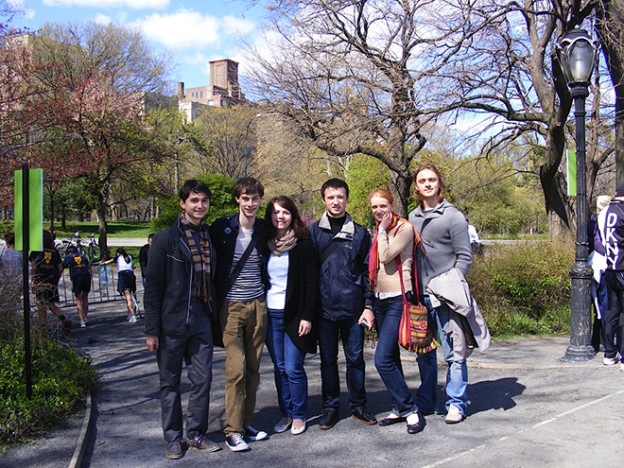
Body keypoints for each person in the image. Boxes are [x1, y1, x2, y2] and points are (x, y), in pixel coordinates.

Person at [144, 179, 220, 460]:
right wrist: (152, 330)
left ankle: (196, 434)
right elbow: (152, 288)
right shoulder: (166, 239)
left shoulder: (209, 236)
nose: (200, 206)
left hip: (202, 318)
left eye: (204, 201)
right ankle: (173, 438)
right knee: (170, 382)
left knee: (202, 379)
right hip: (172, 322)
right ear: (183, 203)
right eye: (194, 201)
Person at [307, 178, 377, 430]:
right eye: (330, 197)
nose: (336, 201)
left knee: (356, 359)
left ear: (347, 199)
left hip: (354, 308)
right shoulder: (313, 233)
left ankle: (358, 405)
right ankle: (330, 407)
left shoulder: (360, 234)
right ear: (324, 200)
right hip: (324, 309)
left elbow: (369, 274)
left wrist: (369, 305)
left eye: (340, 197)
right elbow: (309, 274)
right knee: (327, 360)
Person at [408, 164, 473, 424]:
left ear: (439, 184)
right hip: (420, 299)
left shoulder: (453, 216)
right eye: (422, 180)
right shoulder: (411, 218)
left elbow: (464, 258)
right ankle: (426, 400)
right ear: (416, 186)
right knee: (424, 353)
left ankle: (456, 402)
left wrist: (451, 285)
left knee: (454, 353)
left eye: (432, 179)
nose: (427, 184)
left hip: (446, 299)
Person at [210, 177, 269, 452]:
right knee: (236, 370)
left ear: (260, 200)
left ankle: (246, 423)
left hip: (258, 304)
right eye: (245, 198)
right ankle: (232, 431)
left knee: (254, 369)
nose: (250, 203)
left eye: (255, 198)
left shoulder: (263, 228)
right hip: (231, 307)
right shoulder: (222, 227)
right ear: (238, 199)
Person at [367, 188, 426, 434]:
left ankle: (411, 409)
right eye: (374, 207)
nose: (378, 211)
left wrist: (381, 231)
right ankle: (398, 407)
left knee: (381, 360)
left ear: (392, 206)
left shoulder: (403, 228)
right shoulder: (381, 230)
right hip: (380, 299)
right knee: (390, 357)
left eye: (383, 206)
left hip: (397, 300)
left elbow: (386, 255)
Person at [264, 196, 318, 436]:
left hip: (295, 315)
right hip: (270, 314)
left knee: (294, 367)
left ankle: (299, 414)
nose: (280, 217)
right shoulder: (265, 243)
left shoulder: (302, 244)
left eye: (285, 212)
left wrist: (307, 316)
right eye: (276, 212)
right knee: (279, 367)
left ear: (293, 215)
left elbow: (311, 282)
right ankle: (285, 413)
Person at [598, 182, 624, 371]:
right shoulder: (622, 213)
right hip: (622, 266)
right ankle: (623, 356)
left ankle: (609, 353)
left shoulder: (604, 213)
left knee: (612, 311)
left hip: (609, 267)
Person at [29, 230, 69, 332]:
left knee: (41, 303)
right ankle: (63, 319)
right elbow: (60, 268)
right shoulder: (55, 252)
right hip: (51, 281)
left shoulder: (36, 251)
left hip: (40, 280)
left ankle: (43, 327)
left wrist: (32, 281)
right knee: (50, 302)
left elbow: (33, 267)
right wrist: (56, 279)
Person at [589, 195, 611, 352]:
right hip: (602, 267)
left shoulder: (592, 223)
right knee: (606, 305)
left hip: (596, 267)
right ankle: (604, 341)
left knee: (601, 307)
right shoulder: (602, 223)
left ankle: (598, 341)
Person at [100, 248, 138, 323]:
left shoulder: (118, 257)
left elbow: (108, 262)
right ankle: (129, 313)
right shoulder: (129, 257)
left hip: (123, 276)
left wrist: (102, 263)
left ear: (118, 253)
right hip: (131, 275)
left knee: (128, 297)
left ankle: (133, 315)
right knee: (130, 295)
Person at [62, 245, 91, 328]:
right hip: (86, 276)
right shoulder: (82, 255)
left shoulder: (69, 256)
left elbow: (63, 265)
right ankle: (85, 317)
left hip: (77, 277)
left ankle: (81, 321)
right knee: (85, 297)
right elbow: (88, 266)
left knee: (78, 298)